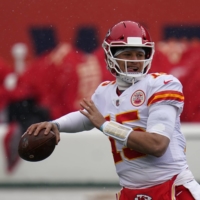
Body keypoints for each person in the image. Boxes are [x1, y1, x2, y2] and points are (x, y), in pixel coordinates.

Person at [25, 21, 200, 200]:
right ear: (110, 55)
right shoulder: (105, 92)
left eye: (139, 54)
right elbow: (86, 118)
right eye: (127, 54)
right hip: (130, 193)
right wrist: (55, 125)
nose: (134, 60)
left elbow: (157, 145)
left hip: (172, 189)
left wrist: (105, 126)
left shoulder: (160, 85)